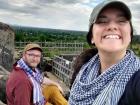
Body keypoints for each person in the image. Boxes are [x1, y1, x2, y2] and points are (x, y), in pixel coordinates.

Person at [68, 0, 140, 105]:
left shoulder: (136, 80)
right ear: (92, 36)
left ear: (130, 35)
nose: (112, 26)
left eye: (121, 20)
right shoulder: (82, 70)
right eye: (102, 21)